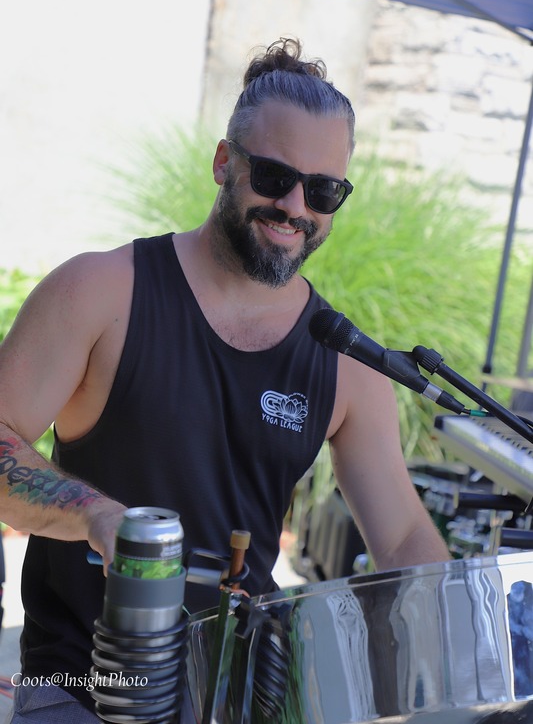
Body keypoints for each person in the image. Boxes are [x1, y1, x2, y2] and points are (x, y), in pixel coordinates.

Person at [0, 37, 450, 722]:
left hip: (238, 698)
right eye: (272, 176)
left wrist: (454, 631)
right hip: (78, 691)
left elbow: (402, 537)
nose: (294, 206)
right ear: (223, 162)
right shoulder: (99, 292)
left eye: (323, 190)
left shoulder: (345, 361)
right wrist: (94, 515)